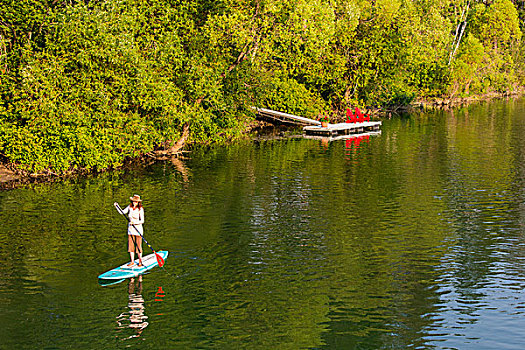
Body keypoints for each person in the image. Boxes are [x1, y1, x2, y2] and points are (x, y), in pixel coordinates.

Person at [116, 194, 145, 267]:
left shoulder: (140, 209)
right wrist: (117, 206)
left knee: (138, 247)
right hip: (130, 230)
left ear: (138, 202)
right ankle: (132, 262)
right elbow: (121, 212)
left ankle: (140, 262)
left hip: (138, 230)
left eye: (136, 202)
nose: (134, 203)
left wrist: (134, 222)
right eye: (133, 201)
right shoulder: (129, 207)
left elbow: (142, 221)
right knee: (131, 247)